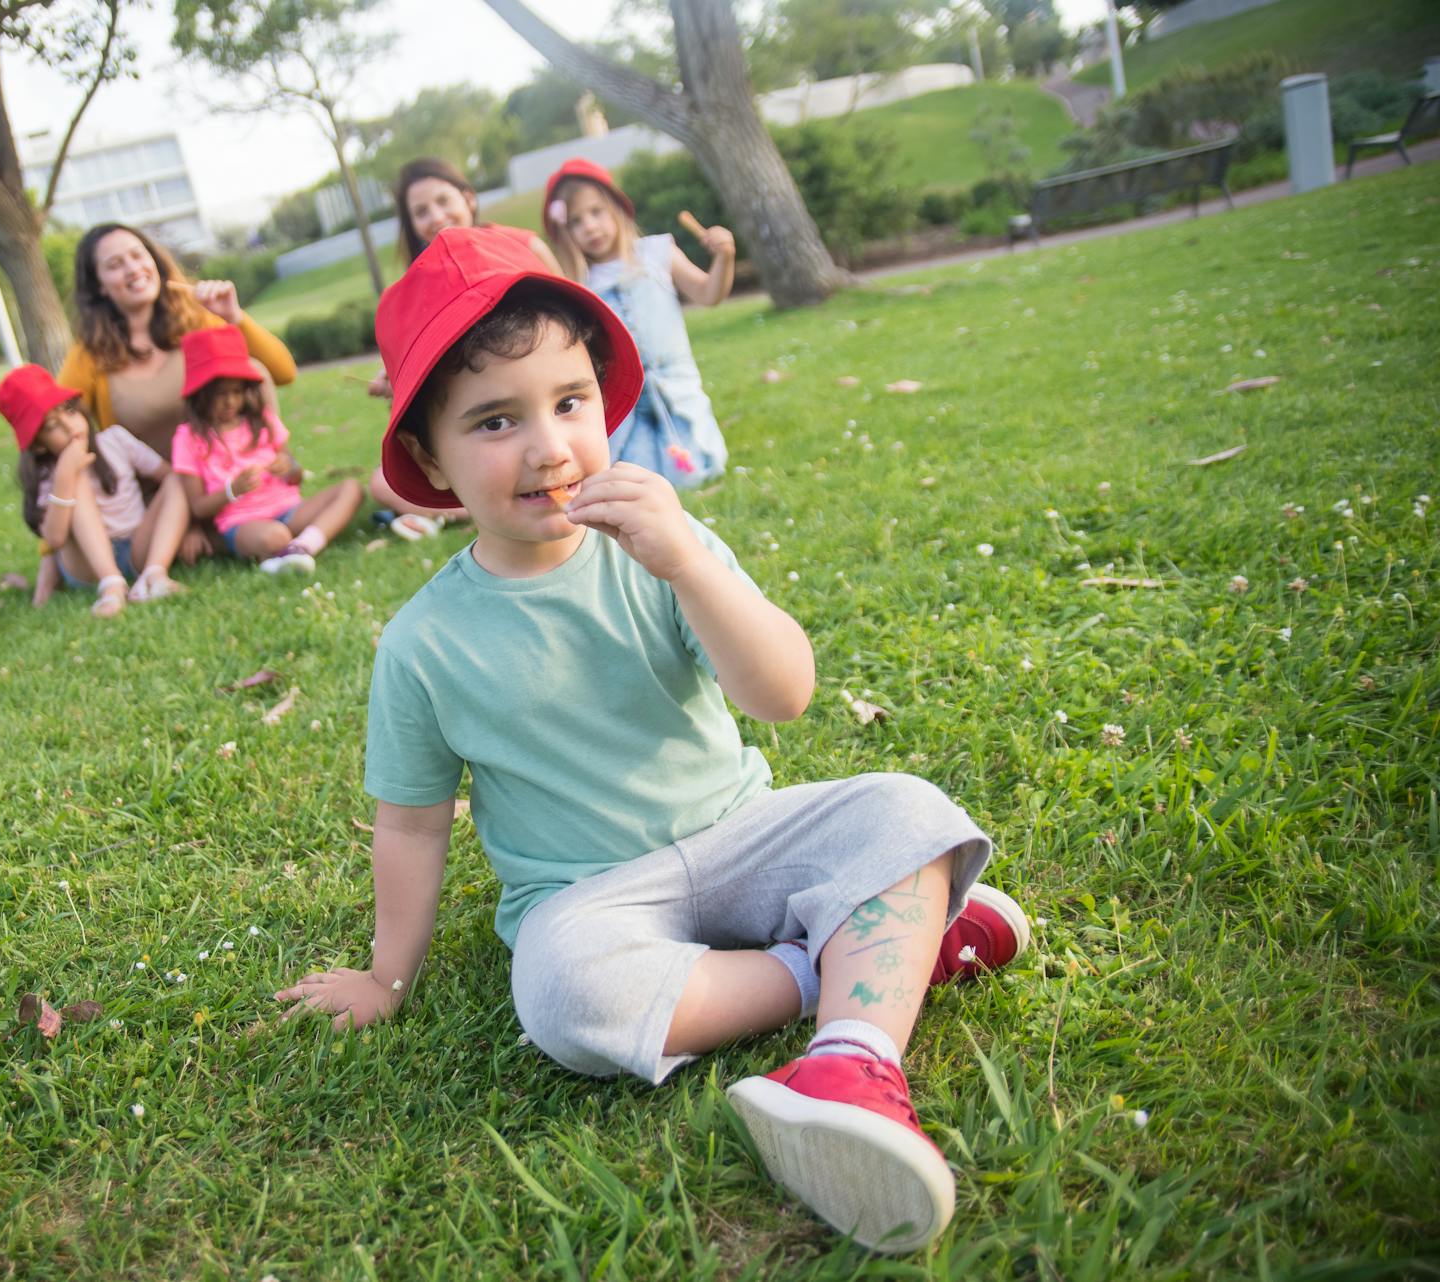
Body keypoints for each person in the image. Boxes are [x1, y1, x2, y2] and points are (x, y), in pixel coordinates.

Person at [273, 227, 1031, 1254]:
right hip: (591, 897)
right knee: (562, 997)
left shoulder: (661, 551)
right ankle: (843, 955)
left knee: (907, 809)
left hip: (744, 835)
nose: (548, 446)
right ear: (426, 455)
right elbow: (410, 829)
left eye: (569, 401)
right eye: (496, 420)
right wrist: (384, 975)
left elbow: (782, 693)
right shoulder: (423, 645)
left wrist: (689, 566)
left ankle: (850, 1061)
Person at [23, 222, 299, 604]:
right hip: (160, 502)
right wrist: (50, 554)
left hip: (227, 482)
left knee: (254, 370)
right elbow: (56, 435)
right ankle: (184, 543)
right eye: (115, 264)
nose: (133, 268)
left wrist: (234, 317)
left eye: (138, 255)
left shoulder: (198, 320)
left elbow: (282, 373)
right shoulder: (90, 354)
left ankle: (267, 493)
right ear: (99, 285)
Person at [366, 158, 563, 532]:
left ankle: (470, 505)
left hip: (537, 397)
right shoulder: (421, 280)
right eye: (421, 211)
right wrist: (394, 380)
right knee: (381, 483)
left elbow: (570, 331)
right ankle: (478, 504)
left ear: (469, 198)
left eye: (443, 200)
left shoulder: (521, 245)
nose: (437, 216)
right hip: (482, 420)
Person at [542, 157, 733, 488]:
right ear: (565, 233)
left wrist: (724, 257)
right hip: (627, 404)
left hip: (677, 388)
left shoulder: (656, 253)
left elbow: (709, 293)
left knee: (701, 468)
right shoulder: (579, 285)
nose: (589, 226)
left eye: (596, 212)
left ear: (616, 208)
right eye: (575, 222)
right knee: (636, 479)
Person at [170, 327, 363, 576]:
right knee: (275, 536)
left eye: (236, 392)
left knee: (352, 489)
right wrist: (232, 490)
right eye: (220, 395)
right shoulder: (189, 437)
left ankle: (302, 546)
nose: (230, 401)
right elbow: (198, 507)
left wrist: (289, 467)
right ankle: (288, 548)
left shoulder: (263, 421)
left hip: (289, 508)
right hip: (243, 521)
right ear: (201, 395)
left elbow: (295, 476)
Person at [0, 364, 184, 617]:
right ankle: (111, 586)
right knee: (79, 482)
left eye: (69, 411)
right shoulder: (46, 475)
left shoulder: (115, 440)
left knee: (178, 478)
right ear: (38, 445)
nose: (69, 425)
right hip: (86, 565)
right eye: (52, 425)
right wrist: (66, 475)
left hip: (137, 545)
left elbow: (169, 476)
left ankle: (154, 574)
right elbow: (54, 539)